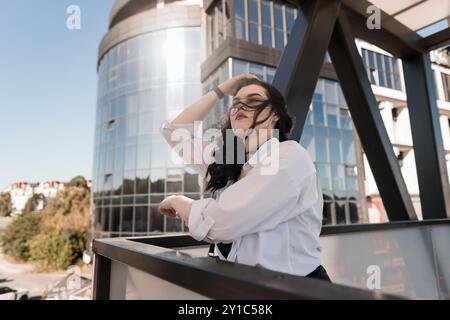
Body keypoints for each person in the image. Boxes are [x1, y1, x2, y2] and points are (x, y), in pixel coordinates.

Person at [158, 74, 331, 281]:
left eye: (254, 101)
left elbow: (218, 224)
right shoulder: (227, 158)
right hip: (242, 287)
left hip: (296, 290)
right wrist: (223, 88)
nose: (240, 107)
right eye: (236, 104)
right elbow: (174, 132)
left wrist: (177, 201)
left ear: (275, 115)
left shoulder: (288, 156)